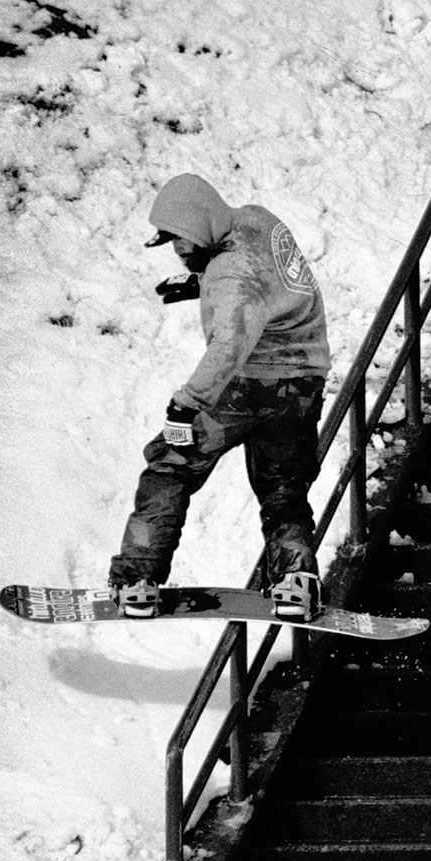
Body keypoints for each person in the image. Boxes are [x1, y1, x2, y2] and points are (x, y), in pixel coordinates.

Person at [108, 173, 331, 619]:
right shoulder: (256, 220)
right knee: (284, 489)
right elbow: (263, 281)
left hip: (245, 388)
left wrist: (186, 404)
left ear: (202, 224)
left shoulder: (230, 275)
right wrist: (200, 282)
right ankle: (296, 581)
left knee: (169, 466)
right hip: (303, 385)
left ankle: (136, 580)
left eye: (183, 240)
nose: (180, 250)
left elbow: (229, 346)